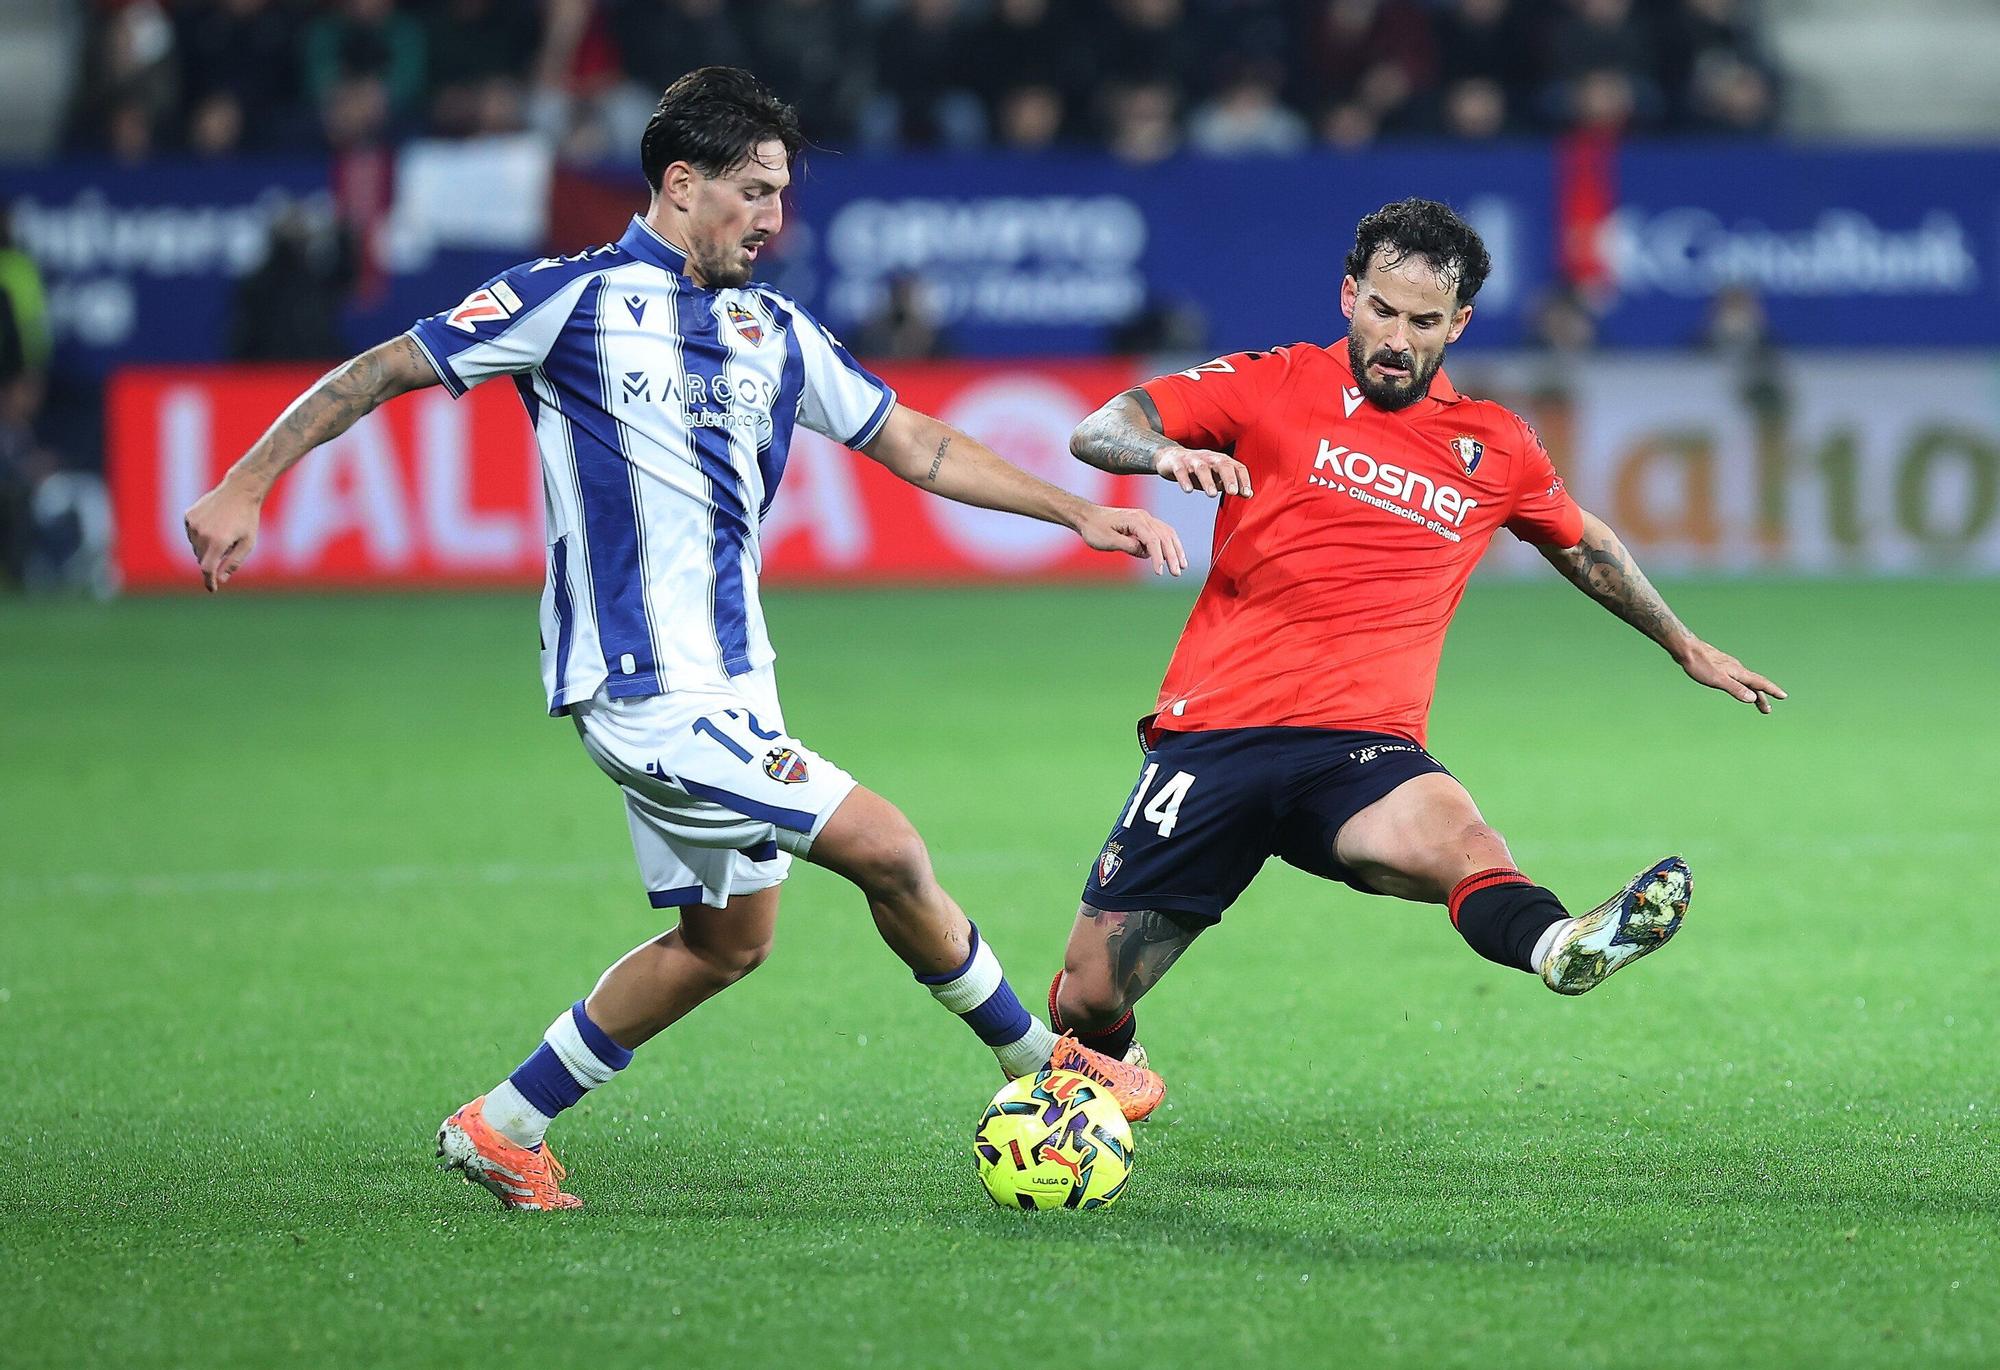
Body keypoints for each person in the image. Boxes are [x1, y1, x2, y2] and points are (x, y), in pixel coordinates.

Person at [182, 67, 1178, 1211]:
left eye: (782, 193)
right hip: (644, 688)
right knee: (889, 848)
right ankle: (1044, 1067)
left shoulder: (771, 330)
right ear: (679, 181)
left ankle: (501, 1125)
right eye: (753, 190)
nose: (772, 217)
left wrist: (1075, 510)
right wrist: (245, 482)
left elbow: (915, 442)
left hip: (734, 686)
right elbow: (383, 368)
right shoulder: (569, 301)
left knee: (722, 943)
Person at [1047, 197, 1785, 1067]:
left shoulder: (1495, 446)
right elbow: (1101, 427)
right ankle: (1112, 1066)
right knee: (1087, 993)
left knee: (1465, 842)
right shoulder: (1272, 381)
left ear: (1459, 323)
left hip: (1362, 746)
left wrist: (1683, 642)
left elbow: (1583, 542)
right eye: (1382, 310)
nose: (1397, 338)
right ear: (1348, 296)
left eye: (1424, 321)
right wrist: (1162, 454)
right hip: (1217, 734)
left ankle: (1560, 946)